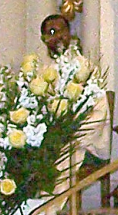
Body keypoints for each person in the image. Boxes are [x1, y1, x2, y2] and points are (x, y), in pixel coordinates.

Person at [40, 12, 111, 169]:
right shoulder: (40, 72)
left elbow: (98, 111)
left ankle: (61, 195)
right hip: (48, 142)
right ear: (44, 38)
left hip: (83, 143)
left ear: (69, 34)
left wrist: (72, 137)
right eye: (52, 32)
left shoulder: (85, 68)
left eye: (62, 30)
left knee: (64, 158)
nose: (58, 36)